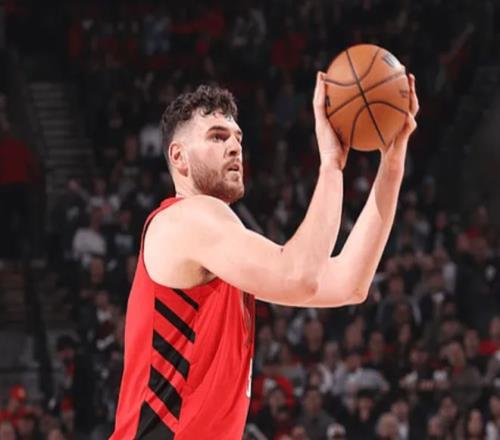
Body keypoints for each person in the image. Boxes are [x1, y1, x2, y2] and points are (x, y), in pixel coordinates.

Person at [111, 72, 419, 438]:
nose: (234, 147)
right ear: (179, 157)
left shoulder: (221, 252)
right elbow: (299, 276)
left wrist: (392, 163)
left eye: (238, 138)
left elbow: (349, 283)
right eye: (217, 137)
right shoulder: (188, 218)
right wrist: (330, 165)